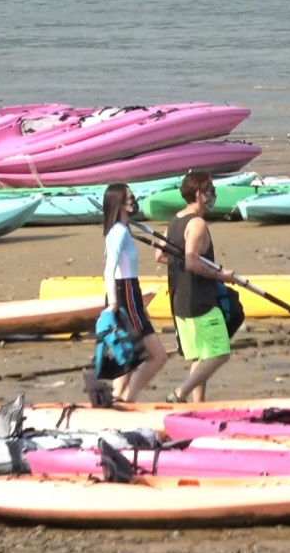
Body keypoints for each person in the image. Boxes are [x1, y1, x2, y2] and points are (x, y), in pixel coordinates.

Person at [158, 171, 235, 403]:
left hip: (180, 299)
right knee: (220, 352)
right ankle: (180, 393)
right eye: (210, 190)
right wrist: (220, 275)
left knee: (201, 357)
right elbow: (191, 261)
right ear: (200, 194)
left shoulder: (175, 220)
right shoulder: (197, 223)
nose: (213, 195)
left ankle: (198, 407)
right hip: (199, 301)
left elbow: (160, 255)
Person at [101, 183, 167, 402]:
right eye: (127, 198)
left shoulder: (120, 229)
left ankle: (117, 398)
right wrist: (112, 303)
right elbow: (109, 269)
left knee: (128, 357)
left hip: (130, 293)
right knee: (158, 356)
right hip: (124, 294)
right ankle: (128, 400)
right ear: (117, 203)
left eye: (131, 197)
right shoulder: (118, 231)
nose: (132, 201)